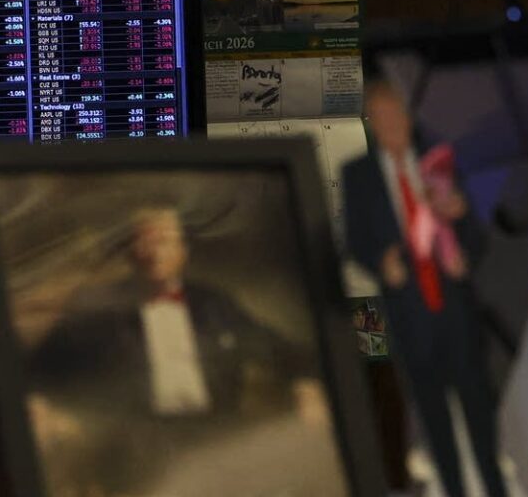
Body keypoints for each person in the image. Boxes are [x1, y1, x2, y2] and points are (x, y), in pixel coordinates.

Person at [25, 206, 335, 495]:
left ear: (182, 251)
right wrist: (43, 407)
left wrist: (306, 385)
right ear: (130, 252)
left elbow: (285, 351)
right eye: (146, 241)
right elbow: (38, 370)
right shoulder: (98, 310)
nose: (155, 251)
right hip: (135, 448)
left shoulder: (214, 305)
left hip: (219, 437)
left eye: (165, 241)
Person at [342, 80, 506, 497]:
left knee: (478, 409)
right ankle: (452, 489)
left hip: (455, 311)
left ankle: (495, 486)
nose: (392, 125)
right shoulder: (357, 175)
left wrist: (463, 231)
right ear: (371, 124)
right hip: (409, 317)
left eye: (397, 115)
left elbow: (475, 234)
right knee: (434, 418)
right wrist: (381, 262)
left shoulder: (437, 165)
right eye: (382, 118)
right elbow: (355, 241)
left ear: (409, 118)